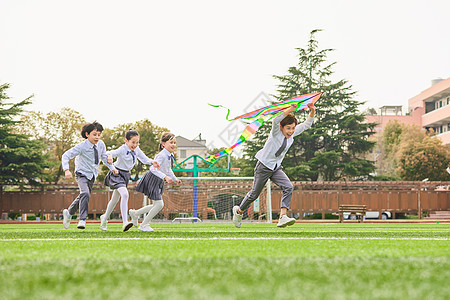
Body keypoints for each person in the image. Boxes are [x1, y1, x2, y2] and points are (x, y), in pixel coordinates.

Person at [232, 103, 316, 228]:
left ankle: (282, 217)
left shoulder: (292, 134)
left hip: (276, 167)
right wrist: (290, 110)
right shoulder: (276, 132)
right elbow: (276, 120)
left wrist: (312, 110)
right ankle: (239, 212)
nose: (291, 131)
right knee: (254, 194)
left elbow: (307, 124)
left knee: (288, 187)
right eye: (288, 128)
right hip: (264, 166)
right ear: (282, 127)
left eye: (293, 128)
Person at [100, 130, 160, 232]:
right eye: (133, 142)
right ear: (126, 141)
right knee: (125, 194)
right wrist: (109, 156)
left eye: (137, 142)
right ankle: (125, 222)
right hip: (117, 174)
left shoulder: (137, 149)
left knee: (114, 199)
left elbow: (144, 159)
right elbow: (109, 153)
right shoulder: (122, 149)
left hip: (126, 175)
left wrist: (152, 161)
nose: (135, 145)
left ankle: (104, 218)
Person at [62, 121, 117, 230]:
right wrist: (66, 170)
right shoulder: (82, 146)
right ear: (87, 134)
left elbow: (104, 158)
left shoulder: (101, 144)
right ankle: (82, 219)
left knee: (83, 195)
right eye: (94, 134)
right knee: (85, 193)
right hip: (81, 173)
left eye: (99, 134)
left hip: (92, 175)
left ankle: (68, 213)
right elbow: (66, 155)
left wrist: (113, 168)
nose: (97, 137)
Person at [129, 132, 181, 232]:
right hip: (152, 179)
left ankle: (135, 214)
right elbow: (153, 169)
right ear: (163, 144)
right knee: (159, 204)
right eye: (171, 142)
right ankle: (144, 225)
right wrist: (165, 177)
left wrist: (175, 179)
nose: (173, 144)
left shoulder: (170, 155)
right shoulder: (161, 155)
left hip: (159, 180)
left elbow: (168, 169)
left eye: (174, 142)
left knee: (156, 205)